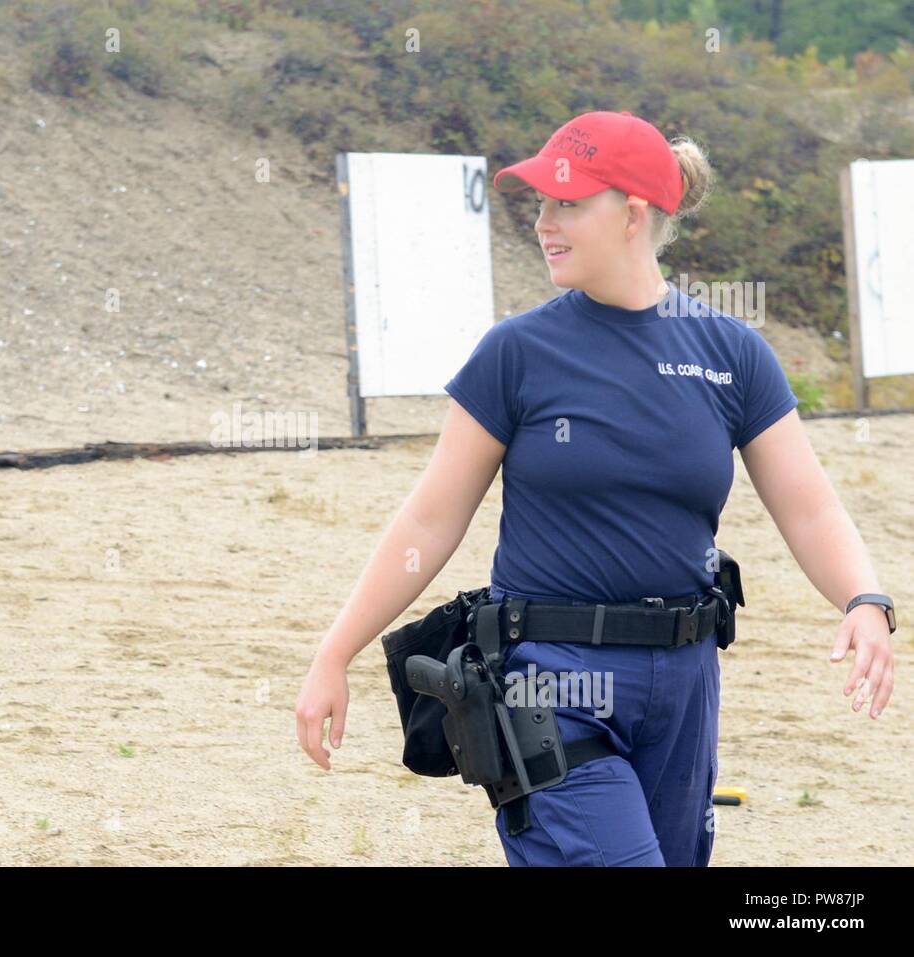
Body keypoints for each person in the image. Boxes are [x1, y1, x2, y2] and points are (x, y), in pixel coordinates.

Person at [294, 110, 896, 866]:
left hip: (685, 683)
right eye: (541, 202)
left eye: (567, 203)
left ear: (634, 214)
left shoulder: (731, 353)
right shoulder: (515, 353)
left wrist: (864, 599)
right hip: (550, 681)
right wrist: (334, 651)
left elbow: (808, 506)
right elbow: (429, 520)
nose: (544, 222)